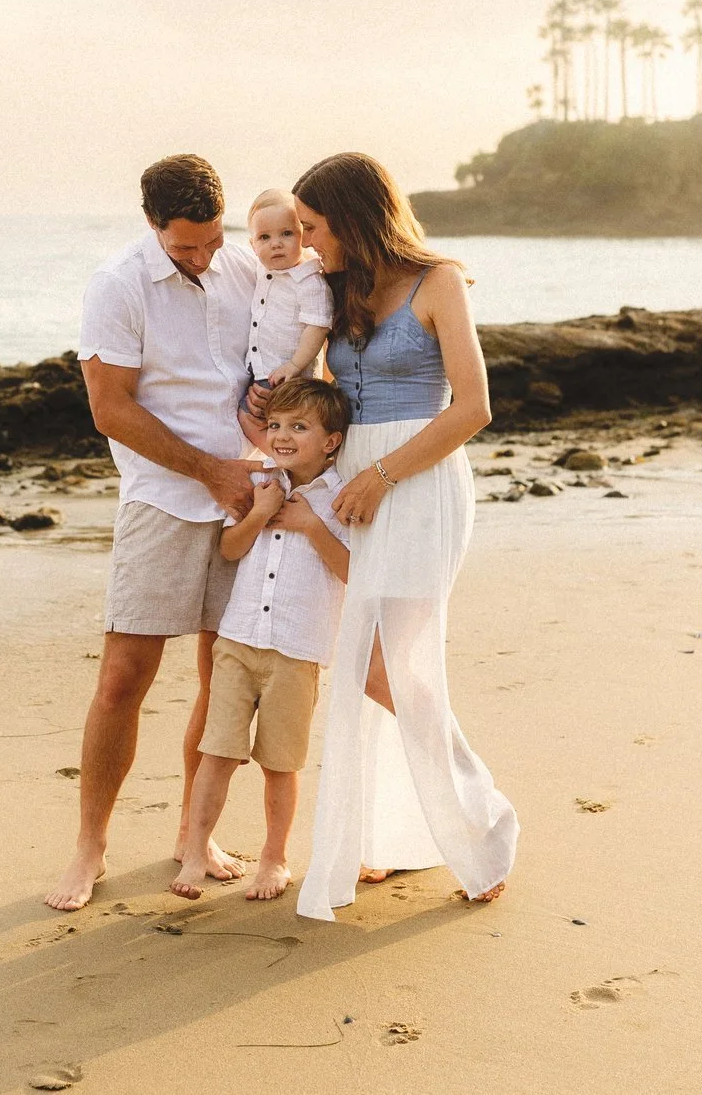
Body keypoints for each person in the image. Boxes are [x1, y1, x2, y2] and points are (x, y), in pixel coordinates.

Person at [288, 151, 519, 922]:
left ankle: (480, 827)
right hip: (351, 484)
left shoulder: (438, 282)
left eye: (315, 226)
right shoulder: (335, 287)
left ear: (353, 217)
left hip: (415, 483)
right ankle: (383, 831)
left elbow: (474, 406)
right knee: (361, 661)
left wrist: (381, 474)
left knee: (401, 666)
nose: (308, 241)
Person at [45, 154, 262, 913]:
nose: (203, 257)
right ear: (151, 226)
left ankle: (193, 833)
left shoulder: (243, 268)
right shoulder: (116, 285)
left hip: (247, 500)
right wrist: (208, 469)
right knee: (122, 680)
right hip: (163, 501)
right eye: (185, 247)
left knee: (223, 677)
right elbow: (111, 408)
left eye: (211, 240)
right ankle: (91, 845)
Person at [172, 378, 352, 903]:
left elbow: (352, 572)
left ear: (331, 441)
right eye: (275, 425)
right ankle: (195, 851)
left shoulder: (340, 496)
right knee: (217, 754)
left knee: (280, 762)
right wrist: (258, 512)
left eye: (300, 426)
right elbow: (229, 550)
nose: (283, 436)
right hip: (238, 640)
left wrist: (312, 526)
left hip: (297, 651)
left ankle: (274, 859)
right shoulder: (260, 486)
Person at [236, 189, 333, 450]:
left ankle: (286, 461)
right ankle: (285, 461)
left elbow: (318, 326)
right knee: (267, 420)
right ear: (252, 245)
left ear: (303, 236)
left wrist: (293, 365)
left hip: (289, 374)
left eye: (287, 234)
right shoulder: (263, 270)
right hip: (261, 369)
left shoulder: (309, 280)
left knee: (256, 417)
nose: (276, 243)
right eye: (264, 237)